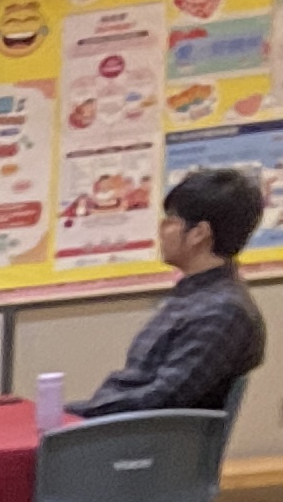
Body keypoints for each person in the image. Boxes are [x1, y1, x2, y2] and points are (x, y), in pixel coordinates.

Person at [83, 166, 268, 414]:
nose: (161, 230)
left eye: (170, 221)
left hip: (141, 433)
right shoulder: (196, 296)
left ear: (199, 234)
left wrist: (77, 414)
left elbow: (163, 397)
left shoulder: (223, 311)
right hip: (123, 425)